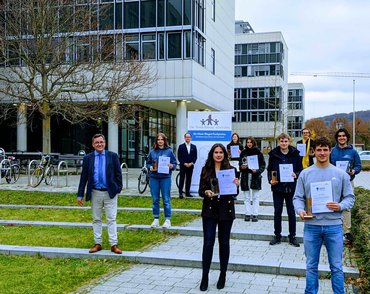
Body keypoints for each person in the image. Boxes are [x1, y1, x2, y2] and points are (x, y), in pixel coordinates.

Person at [293, 137, 355, 294]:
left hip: (334, 226)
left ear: (330, 151)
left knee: (336, 267)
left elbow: (350, 197)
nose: (322, 153)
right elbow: (298, 198)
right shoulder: (305, 174)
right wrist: (300, 210)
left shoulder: (340, 174)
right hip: (311, 226)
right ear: (313, 152)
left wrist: (340, 205)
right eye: (319, 150)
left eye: (325, 149)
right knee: (311, 266)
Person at [198, 143, 239, 291]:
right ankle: (205, 275)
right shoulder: (206, 169)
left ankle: (223, 274)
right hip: (210, 210)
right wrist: (207, 192)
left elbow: (235, 193)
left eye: (221, 152)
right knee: (208, 242)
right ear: (212, 154)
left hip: (226, 210)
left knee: (224, 243)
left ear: (224, 154)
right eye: (216, 152)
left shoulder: (232, 170)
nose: (218, 154)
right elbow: (200, 190)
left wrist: (237, 184)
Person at [77, 134, 123, 254]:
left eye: (101, 142)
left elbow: (119, 174)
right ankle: (98, 243)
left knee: (111, 219)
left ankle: (114, 244)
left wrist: (118, 188)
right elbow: (84, 177)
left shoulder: (112, 156)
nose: (99, 144)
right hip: (95, 192)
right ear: (93, 144)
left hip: (110, 193)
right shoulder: (88, 158)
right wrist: (80, 194)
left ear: (105, 143)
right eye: (97, 142)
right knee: (96, 219)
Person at [267, 133, 302, 247]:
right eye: (281, 141)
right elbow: (269, 170)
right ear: (278, 142)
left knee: (291, 213)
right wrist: (270, 180)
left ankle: (292, 236)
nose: (283, 143)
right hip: (277, 187)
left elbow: (300, 170)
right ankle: (277, 235)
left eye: (286, 141)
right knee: (277, 212)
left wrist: (296, 174)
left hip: (291, 188)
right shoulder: (273, 154)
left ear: (289, 142)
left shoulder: (295, 154)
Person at [329, 128, 361, 244]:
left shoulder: (353, 152)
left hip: (348, 182)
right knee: (333, 205)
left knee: (346, 207)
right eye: (339, 136)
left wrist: (354, 171)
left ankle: (347, 232)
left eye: (343, 136)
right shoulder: (332, 151)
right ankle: (333, 230)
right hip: (334, 182)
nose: (341, 138)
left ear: (347, 137)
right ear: (337, 138)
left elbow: (358, 166)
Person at [147, 132, 177, 229]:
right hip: (154, 178)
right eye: (158, 140)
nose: (160, 141)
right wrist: (150, 167)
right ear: (156, 141)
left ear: (164, 141)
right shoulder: (152, 152)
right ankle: (156, 219)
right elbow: (148, 163)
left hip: (165, 178)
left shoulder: (169, 151)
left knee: (166, 199)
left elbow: (174, 163)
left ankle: (167, 219)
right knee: (155, 199)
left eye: (162, 140)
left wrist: (171, 166)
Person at [239, 136, 266, 222]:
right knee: (246, 196)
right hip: (245, 176)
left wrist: (257, 170)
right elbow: (240, 163)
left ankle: (255, 214)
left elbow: (263, 165)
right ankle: (247, 213)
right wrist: (242, 167)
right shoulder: (243, 152)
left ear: (254, 143)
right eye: (248, 142)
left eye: (251, 142)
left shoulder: (258, 152)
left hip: (255, 176)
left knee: (255, 196)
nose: (249, 144)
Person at [177, 132, 198, 198]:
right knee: (182, 179)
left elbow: (195, 157)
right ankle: (180, 193)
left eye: (189, 137)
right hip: (183, 165)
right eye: (186, 137)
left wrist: (192, 163)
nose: (188, 138)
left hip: (191, 166)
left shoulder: (194, 147)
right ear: (185, 138)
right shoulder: (181, 146)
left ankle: (187, 192)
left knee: (189, 179)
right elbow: (179, 156)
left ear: (191, 138)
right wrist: (184, 163)